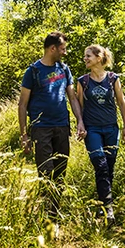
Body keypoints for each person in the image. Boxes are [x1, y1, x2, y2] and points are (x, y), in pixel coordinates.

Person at [18, 31, 86, 220]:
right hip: (41, 128)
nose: (65, 52)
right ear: (52, 48)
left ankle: (53, 212)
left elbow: (72, 97)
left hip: (62, 126)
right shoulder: (33, 71)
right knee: (46, 172)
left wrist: (79, 120)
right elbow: (22, 104)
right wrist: (24, 135)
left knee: (60, 172)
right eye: (62, 49)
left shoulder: (64, 69)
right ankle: (49, 218)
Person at [76, 44, 125, 225]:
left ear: (99, 58)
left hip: (111, 129)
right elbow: (80, 107)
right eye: (85, 56)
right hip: (92, 130)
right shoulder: (82, 81)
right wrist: (80, 124)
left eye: (88, 56)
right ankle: (109, 209)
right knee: (100, 165)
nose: (85, 59)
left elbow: (122, 104)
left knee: (109, 166)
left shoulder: (113, 79)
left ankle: (102, 202)